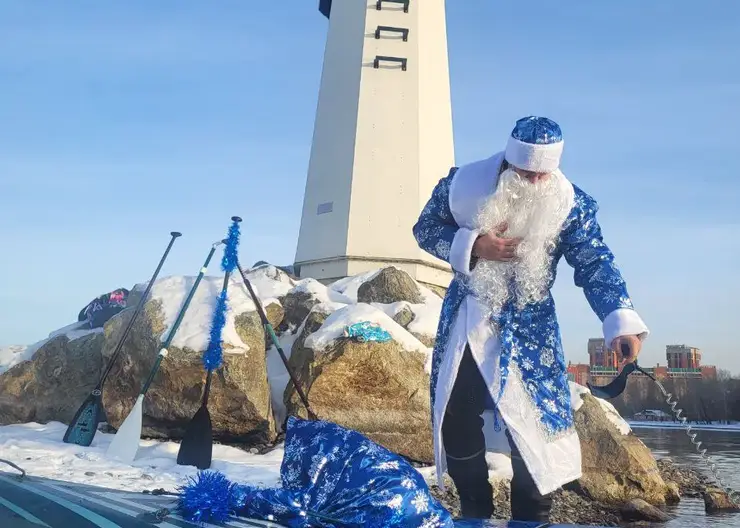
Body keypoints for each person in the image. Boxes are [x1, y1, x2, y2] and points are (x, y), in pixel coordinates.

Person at [412, 116, 649, 522]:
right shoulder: (463, 187)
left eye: (543, 174)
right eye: (525, 172)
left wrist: (618, 318)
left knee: (538, 420)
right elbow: (424, 229)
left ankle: (530, 516)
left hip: (532, 324)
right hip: (469, 317)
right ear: (509, 162)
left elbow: (595, 263)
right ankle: (474, 509)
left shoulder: (572, 204)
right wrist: (474, 245)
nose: (535, 182)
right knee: (457, 410)